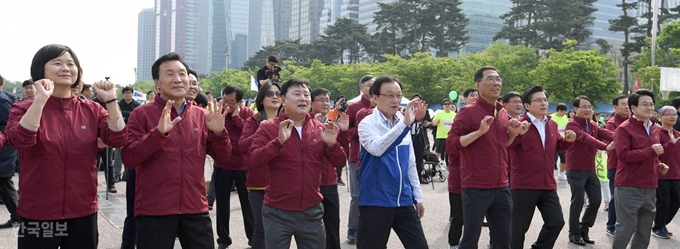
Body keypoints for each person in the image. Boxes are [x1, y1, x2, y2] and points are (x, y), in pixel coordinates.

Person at [6, 44, 128, 248]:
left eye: (71, 64)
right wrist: (40, 101)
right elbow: (19, 140)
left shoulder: (92, 109)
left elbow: (119, 139)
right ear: (40, 70)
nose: (66, 68)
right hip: (40, 212)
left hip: (82, 212)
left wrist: (111, 101)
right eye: (57, 63)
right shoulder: (23, 108)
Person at [121, 52, 232, 249]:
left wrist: (219, 133)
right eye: (170, 74)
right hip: (155, 209)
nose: (178, 79)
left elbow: (223, 157)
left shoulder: (202, 115)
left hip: (195, 207)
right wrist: (158, 134)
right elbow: (129, 158)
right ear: (157, 83)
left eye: (182, 74)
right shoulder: (142, 114)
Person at [249, 78, 347, 248]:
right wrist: (278, 142)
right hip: (277, 212)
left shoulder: (320, 129)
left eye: (306, 95)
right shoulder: (268, 128)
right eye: (297, 94)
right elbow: (253, 160)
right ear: (283, 100)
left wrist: (332, 145)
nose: (303, 98)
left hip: (312, 212)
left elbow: (339, 162)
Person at [448, 66, 524, 249]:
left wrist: (512, 135)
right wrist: (479, 132)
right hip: (476, 186)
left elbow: (503, 146)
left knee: (503, 239)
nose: (496, 83)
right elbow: (451, 144)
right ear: (478, 84)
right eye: (490, 79)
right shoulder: (467, 112)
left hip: (501, 185)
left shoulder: (503, 112)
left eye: (498, 79)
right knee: (470, 240)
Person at [357, 75, 428, 249]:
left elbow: (411, 162)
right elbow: (377, 148)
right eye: (389, 95)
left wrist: (417, 196)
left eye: (399, 95)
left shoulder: (404, 122)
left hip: (403, 200)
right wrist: (404, 125)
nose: (395, 100)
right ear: (374, 97)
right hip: (376, 201)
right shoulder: (367, 124)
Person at [508, 86, 575, 249]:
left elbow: (556, 145)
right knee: (518, 229)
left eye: (545, 99)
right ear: (527, 105)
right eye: (538, 100)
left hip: (547, 184)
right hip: (524, 184)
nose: (544, 103)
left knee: (556, 222)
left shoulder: (550, 123)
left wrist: (568, 141)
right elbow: (507, 146)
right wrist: (516, 134)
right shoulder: (519, 124)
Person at [612, 89, 669, 249]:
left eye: (651, 104)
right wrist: (651, 151)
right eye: (644, 104)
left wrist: (659, 165)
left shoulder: (654, 128)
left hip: (650, 186)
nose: (649, 107)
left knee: (644, 231)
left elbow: (652, 155)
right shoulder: (624, 128)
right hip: (629, 186)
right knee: (626, 227)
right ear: (633, 108)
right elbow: (623, 155)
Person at [565, 95, 614, 246]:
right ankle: (573, 233)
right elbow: (587, 138)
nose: (587, 110)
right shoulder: (572, 125)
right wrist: (605, 146)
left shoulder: (592, 124)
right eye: (584, 107)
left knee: (596, 200)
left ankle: (584, 228)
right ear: (575, 109)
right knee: (578, 202)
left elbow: (606, 133)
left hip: (590, 169)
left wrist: (624, 138)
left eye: (589, 107)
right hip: (575, 169)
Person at [239, 82, 281, 249]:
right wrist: (261, 130)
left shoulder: (288, 119)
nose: (275, 97)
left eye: (278, 93)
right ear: (261, 99)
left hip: (283, 185)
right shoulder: (253, 120)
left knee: (281, 230)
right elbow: (242, 147)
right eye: (270, 94)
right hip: (258, 184)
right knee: (262, 229)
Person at [213, 85, 255, 249]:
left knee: (248, 204)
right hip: (223, 164)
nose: (227, 105)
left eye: (231, 102)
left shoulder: (248, 114)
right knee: (222, 204)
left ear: (240, 102)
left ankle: (252, 238)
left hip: (244, 165)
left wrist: (237, 118)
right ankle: (223, 239)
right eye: (225, 100)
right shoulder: (218, 112)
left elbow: (251, 135)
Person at [310, 88, 350, 249]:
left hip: (330, 182)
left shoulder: (332, 124)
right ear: (311, 103)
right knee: (310, 229)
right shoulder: (305, 124)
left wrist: (344, 131)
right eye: (321, 100)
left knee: (332, 225)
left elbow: (341, 154)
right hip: (312, 183)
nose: (325, 103)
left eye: (327, 100)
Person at [345, 75, 374, 244]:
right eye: (370, 85)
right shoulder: (354, 108)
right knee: (356, 196)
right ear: (362, 88)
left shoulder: (384, 107)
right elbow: (346, 132)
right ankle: (352, 228)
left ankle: (369, 228)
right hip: (357, 157)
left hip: (376, 158)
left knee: (371, 195)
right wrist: (364, 130)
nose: (373, 88)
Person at [604, 95, 629, 236]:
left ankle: (624, 224)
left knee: (628, 198)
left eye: (628, 104)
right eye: (623, 104)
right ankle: (611, 225)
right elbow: (620, 141)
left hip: (630, 166)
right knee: (616, 197)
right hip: (616, 165)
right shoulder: (612, 123)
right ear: (615, 107)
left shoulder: (634, 121)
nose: (627, 106)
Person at [654, 105, 680, 239]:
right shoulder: (656, 134)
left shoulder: (678, 135)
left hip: (676, 174)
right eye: (669, 114)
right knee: (663, 202)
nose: (672, 117)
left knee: (677, 200)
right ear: (660, 117)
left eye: (674, 114)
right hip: (662, 174)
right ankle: (659, 227)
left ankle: (661, 223)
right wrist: (671, 143)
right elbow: (656, 154)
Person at [0, 74, 19, 229]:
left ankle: (18, 216)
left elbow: (8, 126)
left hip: (3, 148)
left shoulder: (2, 100)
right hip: (4, 146)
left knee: (4, 182)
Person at [411, 94, 432, 184]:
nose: (416, 102)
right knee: (410, 158)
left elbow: (429, 122)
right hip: (410, 137)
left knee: (419, 158)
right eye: (414, 100)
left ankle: (419, 177)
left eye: (418, 100)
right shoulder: (407, 110)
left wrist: (427, 124)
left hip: (420, 137)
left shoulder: (425, 111)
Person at [432, 98, 456, 166]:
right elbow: (433, 122)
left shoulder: (454, 115)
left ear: (451, 105)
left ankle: (449, 166)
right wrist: (436, 123)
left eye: (449, 104)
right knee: (438, 152)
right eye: (445, 104)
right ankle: (434, 166)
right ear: (443, 106)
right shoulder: (439, 113)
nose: (447, 105)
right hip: (441, 136)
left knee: (449, 153)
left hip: (451, 137)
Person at [552, 103, 569, 181]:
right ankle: (550, 174)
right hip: (553, 142)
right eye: (564, 111)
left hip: (562, 142)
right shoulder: (552, 118)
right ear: (559, 110)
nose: (565, 113)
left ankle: (561, 173)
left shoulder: (565, 117)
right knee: (552, 160)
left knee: (564, 158)